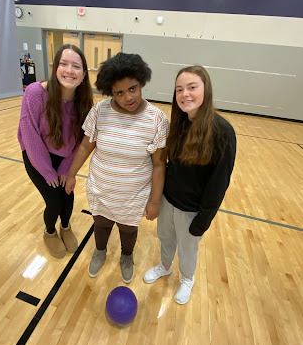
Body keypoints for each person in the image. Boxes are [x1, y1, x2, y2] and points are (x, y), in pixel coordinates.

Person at [65, 52, 169, 283]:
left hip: (133, 195)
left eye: (132, 89)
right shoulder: (99, 112)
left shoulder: (157, 119)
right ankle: (100, 251)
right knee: (101, 223)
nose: (127, 97)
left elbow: (159, 164)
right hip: (101, 188)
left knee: (128, 229)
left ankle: (126, 256)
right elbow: (84, 146)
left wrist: (154, 201)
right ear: (111, 92)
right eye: (119, 93)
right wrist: (71, 174)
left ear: (141, 83)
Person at [143, 65, 236, 305]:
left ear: (206, 90)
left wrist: (203, 220)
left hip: (192, 210)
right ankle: (164, 266)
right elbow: (167, 165)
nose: (185, 94)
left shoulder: (223, 132)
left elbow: (219, 183)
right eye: (179, 89)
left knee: (187, 249)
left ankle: (187, 278)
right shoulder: (179, 124)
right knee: (165, 237)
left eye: (192, 87)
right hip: (168, 201)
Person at [18, 44, 93, 258]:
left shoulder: (84, 102)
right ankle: (50, 232)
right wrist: (48, 171)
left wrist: (67, 168)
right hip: (37, 156)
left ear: (83, 74)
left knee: (68, 196)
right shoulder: (35, 93)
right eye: (64, 64)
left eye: (76, 66)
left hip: (64, 158)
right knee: (54, 200)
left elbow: (80, 141)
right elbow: (30, 137)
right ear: (55, 67)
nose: (69, 70)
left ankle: (66, 226)